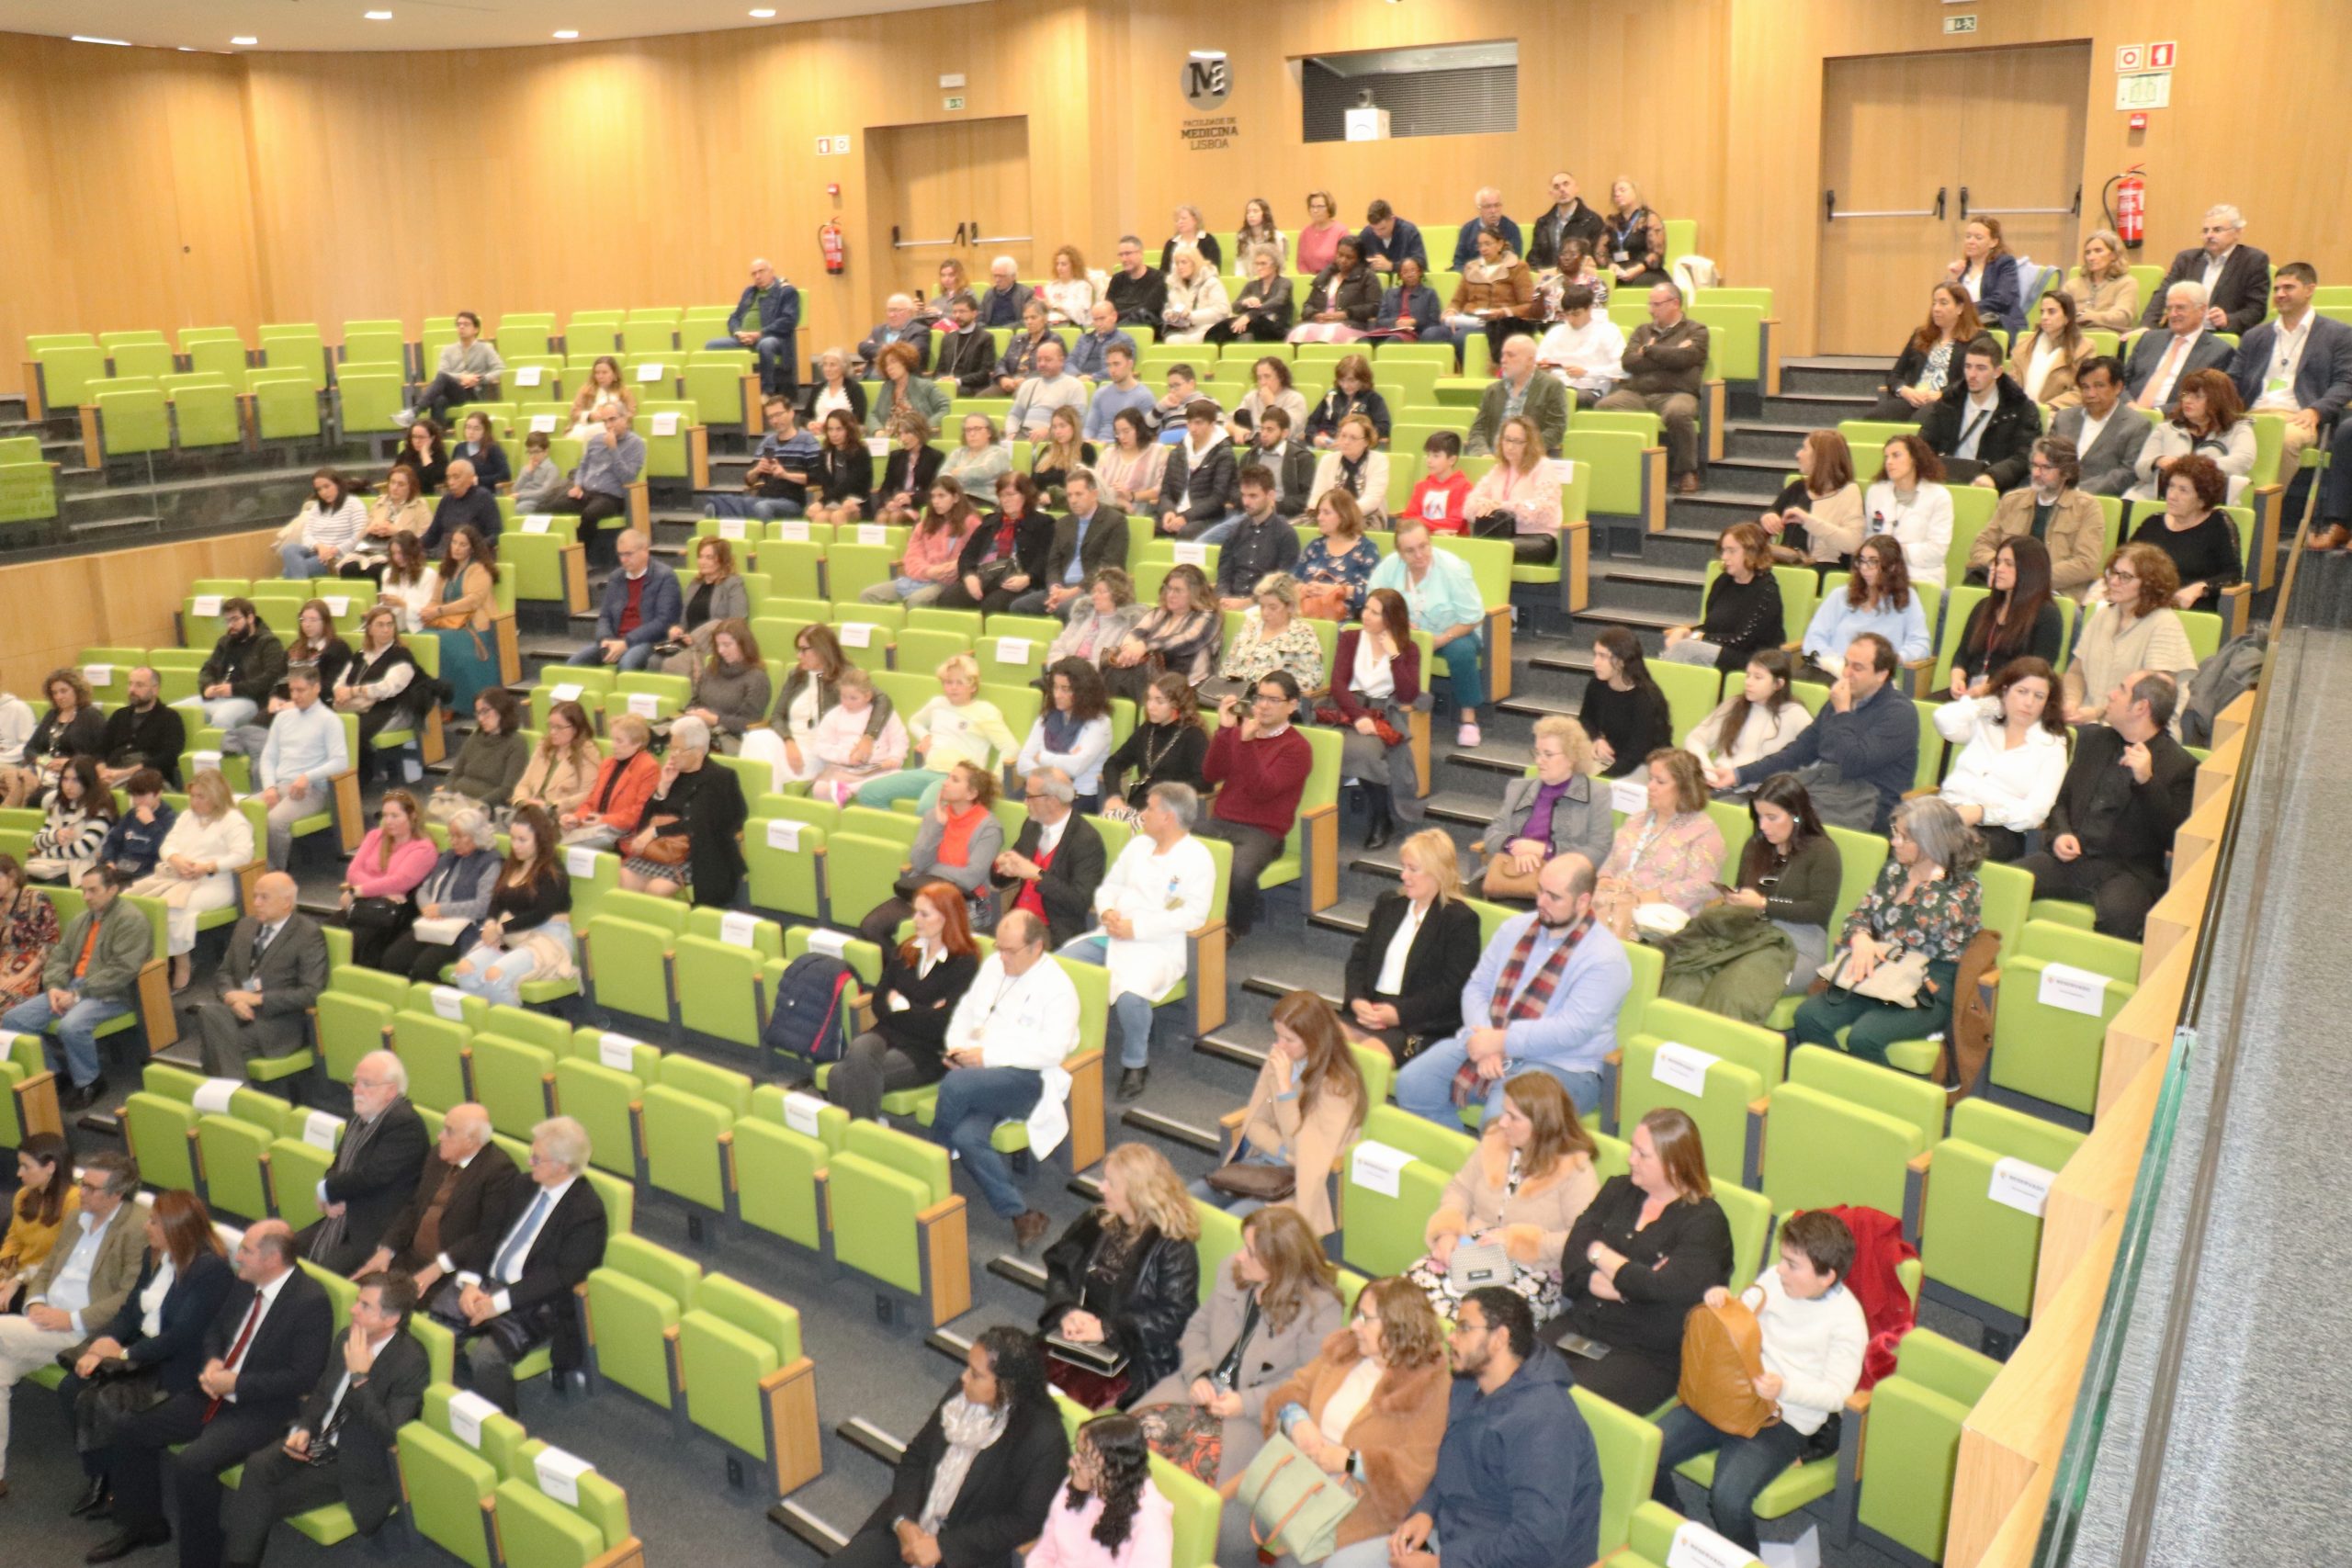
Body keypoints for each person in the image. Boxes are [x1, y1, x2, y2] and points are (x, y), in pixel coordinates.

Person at [89, 1220, 334, 1566]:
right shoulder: (245, 1282)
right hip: (214, 1391)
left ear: (272, 1258)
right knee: (131, 1427)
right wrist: (213, 1363)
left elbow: (303, 1378)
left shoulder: (310, 1302)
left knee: (193, 1464)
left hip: (262, 1409)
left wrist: (236, 1384)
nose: (238, 1256)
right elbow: (215, 1330)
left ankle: (200, 1560)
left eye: (246, 1251)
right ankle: (144, 1525)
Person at [1652, 1212, 1868, 1553]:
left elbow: (1838, 1394)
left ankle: (1745, 1561)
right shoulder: (1775, 1280)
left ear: (1827, 1276)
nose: (1780, 1269)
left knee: (1728, 1499)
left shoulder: (1848, 1321)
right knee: (1650, 1450)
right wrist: (1725, 1302)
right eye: (1783, 1259)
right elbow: (1741, 1314)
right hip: (1733, 1393)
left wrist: (1784, 1388)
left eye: (1792, 1264)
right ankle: (1677, 1531)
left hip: (1784, 1420)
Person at [1225, 1277, 1452, 1568]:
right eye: (1357, 1315)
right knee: (1228, 1525)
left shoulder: (1429, 1386)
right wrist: (1298, 1421)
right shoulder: (1345, 1348)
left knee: (1295, 1561)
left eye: (1366, 1319)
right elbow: (1293, 1390)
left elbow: (1413, 1474)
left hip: (1355, 1506)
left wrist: (1348, 1461)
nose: (1354, 1325)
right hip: (1293, 1473)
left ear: (1397, 1326)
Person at [211, 1268, 427, 1566]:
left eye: (365, 1306)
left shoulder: (411, 1363)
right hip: (317, 1437)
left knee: (258, 1502)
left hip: (353, 1459)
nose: (353, 1310)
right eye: (357, 1301)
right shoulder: (347, 1336)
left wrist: (360, 1379)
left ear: (391, 1319)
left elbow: (391, 1433)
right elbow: (323, 1393)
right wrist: (304, 1427)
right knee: (258, 1466)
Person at [1396, 852, 1630, 1123]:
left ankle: (1489, 1151)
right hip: (1489, 1038)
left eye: (1554, 897)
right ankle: (1461, 1151)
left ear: (1582, 901)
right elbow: (1476, 988)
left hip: (1564, 1064)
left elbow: (1572, 1030)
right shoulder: (1515, 928)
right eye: (1540, 890)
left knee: (1503, 1120)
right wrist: (1487, 1039)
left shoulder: (1605, 958)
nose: (1540, 902)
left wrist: (1501, 1041)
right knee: (1413, 1084)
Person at [51, 1187, 232, 1521]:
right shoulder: (157, 1257)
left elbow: (181, 1337)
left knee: (108, 1401)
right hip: (139, 1351)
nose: (147, 1227)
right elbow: (130, 1312)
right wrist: (105, 1342)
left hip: (170, 1364)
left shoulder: (211, 1271)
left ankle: (120, 1489)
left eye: (154, 1222)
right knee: (70, 1387)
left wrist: (122, 1354)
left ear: (176, 1228)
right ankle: (101, 1476)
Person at [1129, 1205, 1340, 1484]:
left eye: (1251, 1252)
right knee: (1126, 1446)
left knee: (1187, 1476)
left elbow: (1308, 1384)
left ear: (1279, 1262)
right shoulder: (1232, 1271)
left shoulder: (1320, 1308)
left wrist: (1246, 1403)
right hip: (1195, 1389)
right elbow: (1197, 1329)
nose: (1240, 1256)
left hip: (1253, 1415)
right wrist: (1199, 1374)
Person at [1392, 1288, 1603, 1568]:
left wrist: (1441, 1563)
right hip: (1461, 1540)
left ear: (1499, 1338)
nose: (1451, 1337)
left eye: (1464, 1328)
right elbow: (1452, 1465)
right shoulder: (1469, 1383)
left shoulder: (1545, 1421)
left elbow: (1535, 1543)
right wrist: (1426, 1509)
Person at [1544, 1107, 1736, 1412]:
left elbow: (1662, 1293)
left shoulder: (1705, 1223)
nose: (1631, 1159)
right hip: (1582, 1323)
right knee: (1511, 1368)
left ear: (1674, 1165)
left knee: (1558, 1401)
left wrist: (1599, 1253)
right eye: (1632, 1148)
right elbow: (1574, 1255)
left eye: (1642, 1154)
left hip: (1644, 1354)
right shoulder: (1618, 1189)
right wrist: (1624, 1282)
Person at [831, 1325, 1069, 1568]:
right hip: (912, 1525)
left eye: (976, 1374)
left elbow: (1025, 1521)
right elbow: (916, 1458)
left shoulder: (1045, 1439)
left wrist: (943, 1547)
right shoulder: (961, 1394)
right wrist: (904, 1521)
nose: (964, 1377)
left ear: (1007, 1387)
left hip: (968, 1552)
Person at [426, 1115, 607, 1417]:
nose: (529, 1161)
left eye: (537, 1158)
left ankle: (500, 1424)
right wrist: (471, 1282)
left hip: (534, 1300)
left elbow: (562, 1277)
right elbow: (488, 1233)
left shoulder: (586, 1211)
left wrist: (498, 1303)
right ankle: (452, 1400)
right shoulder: (523, 1185)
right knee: (434, 1329)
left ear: (562, 1166)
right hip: (487, 1283)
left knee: (487, 1358)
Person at [1795, 795, 1987, 1066]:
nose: (1894, 842)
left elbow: (1931, 924)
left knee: (1865, 1037)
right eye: (1895, 833)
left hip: (1931, 983)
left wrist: (1927, 880)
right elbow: (1858, 916)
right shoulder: (1894, 871)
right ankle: (1835, 1083)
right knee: (1809, 1016)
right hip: (1881, 966)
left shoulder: (1965, 886)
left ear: (1930, 841)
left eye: (1904, 837)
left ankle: (1877, 1093)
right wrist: (1861, 938)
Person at [932, 908, 1082, 1248]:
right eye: (999, 948)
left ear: (1036, 947)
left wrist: (986, 1058)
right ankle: (1022, 1215)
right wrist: (958, 1048)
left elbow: (1051, 1052)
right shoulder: (993, 966)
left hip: (1027, 1079)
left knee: (954, 1086)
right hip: (983, 1075)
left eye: (1010, 951)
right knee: (967, 1136)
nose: (1001, 957)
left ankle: (932, 1165)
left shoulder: (1058, 988)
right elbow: (966, 1011)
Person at [0, 1151, 143, 1492]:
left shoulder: (137, 1228)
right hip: (43, 1322)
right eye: (82, 1183)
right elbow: (49, 1267)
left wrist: (71, 1318)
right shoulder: (78, 1215)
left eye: (91, 1188)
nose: (81, 1192)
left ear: (116, 1195)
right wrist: (35, 1301)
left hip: (84, 1332)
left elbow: (128, 1297)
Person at [2017, 670, 2195, 938]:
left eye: (2121, 689)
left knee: (2120, 916)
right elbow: (2061, 802)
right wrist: (2061, 833)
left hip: (2128, 872)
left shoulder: (2181, 766)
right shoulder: (2093, 740)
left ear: (2140, 707)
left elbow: (2174, 839)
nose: (2111, 695)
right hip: (2072, 859)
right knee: (2008, 882)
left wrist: (2147, 782)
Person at [1408, 1074, 1599, 1323]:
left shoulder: (1575, 1169)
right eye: (1504, 1112)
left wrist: (1517, 1241)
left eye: (1513, 1117)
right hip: (1473, 1250)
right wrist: (1447, 1232)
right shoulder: (1495, 1140)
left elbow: (1581, 1239)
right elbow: (1460, 1190)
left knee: (1470, 1323)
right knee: (1407, 1300)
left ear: (1542, 1124)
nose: (1503, 1122)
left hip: (1533, 1270)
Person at [1065, 783, 1216, 1096]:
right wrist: (1107, 911)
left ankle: (1135, 1063)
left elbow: (1193, 916)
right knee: (1062, 966)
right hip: (1112, 936)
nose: (1142, 814)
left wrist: (1137, 929)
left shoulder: (1197, 858)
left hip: (1158, 946)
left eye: (1149, 808)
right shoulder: (1138, 846)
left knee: (1131, 995)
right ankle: (1068, 1046)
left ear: (1168, 817)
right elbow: (1110, 887)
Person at [1659, 774, 1843, 1021]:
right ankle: (1672, 1038)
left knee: (1733, 984)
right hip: (1747, 932)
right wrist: (1737, 900)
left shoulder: (1822, 851)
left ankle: (1714, 1042)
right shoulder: (1756, 845)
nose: (1763, 826)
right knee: (1688, 973)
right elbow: (1744, 892)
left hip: (1798, 944)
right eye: (1759, 817)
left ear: (1796, 815)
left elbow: (1819, 909)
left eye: (1772, 817)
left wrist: (1764, 904)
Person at [1038, 1143, 1200, 1405]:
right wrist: (1067, 1311)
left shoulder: (1173, 1246)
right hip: (1079, 1337)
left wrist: (1108, 1330)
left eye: (1110, 1183)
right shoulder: (1098, 1220)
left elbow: (1175, 1317)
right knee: (1013, 1375)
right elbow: (1060, 1269)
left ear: (1137, 1193)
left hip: (1133, 1356)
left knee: (1061, 1403)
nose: (1101, 1188)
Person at [1203, 990, 1366, 1236]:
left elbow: (1302, 1150)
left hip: (1302, 1183)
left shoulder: (1338, 1087)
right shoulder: (1281, 1060)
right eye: (1277, 1036)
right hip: (1263, 1165)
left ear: (1315, 1039)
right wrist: (1282, 1152)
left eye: (1289, 1039)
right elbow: (1255, 1124)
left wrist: (1285, 1091)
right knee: (1193, 1206)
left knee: (1231, 1227)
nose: (1279, 1046)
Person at [1719, 633, 1917, 833]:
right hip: (1826, 790)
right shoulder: (1838, 703)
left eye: (1857, 668)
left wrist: (1843, 713)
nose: (1846, 673)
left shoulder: (1899, 713)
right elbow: (1798, 752)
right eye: (1846, 664)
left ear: (1881, 674)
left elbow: (1852, 764)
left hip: (1868, 802)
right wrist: (1739, 774)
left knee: (1782, 821)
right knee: (1745, 807)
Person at [828, 879, 982, 1122]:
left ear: (947, 917)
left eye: (924, 914)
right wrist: (922, 1011)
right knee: (859, 1049)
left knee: (840, 1075)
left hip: (927, 1051)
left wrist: (900, 1005)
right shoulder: (906, 949)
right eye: (915, 912)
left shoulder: (964, 962)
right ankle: (866, 1133)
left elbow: (942, 1024)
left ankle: (862, 1137)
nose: (915, 920)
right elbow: (879, 1002)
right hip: (887, 1035)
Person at [1338, 827, 1481, 1060]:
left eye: (1413, 869)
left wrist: (1398, 1014)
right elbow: (1359, 959)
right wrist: (1357, 999)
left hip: (1415, 1023)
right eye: (1403, 867)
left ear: (1438, 872)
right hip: (1369, 1009)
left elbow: (1451, 989)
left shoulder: (1460, 920)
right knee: (1317, 1043)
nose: (1404, 876)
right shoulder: (1389, 904)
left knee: (1365, 1060)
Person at [1195, 672, 1310, 941]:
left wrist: (1246, 744)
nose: (1263, 706)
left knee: (1239, 872)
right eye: (1260, 698)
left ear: (1292, 705)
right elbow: (1210, 775)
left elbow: (1263, 791)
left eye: (1273, 700)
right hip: (1221, 822)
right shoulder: (1241, 733)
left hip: (1263, 832)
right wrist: (1225, 731)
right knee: (1174, 845)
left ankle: (1237, 926)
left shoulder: (1297, 748)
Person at [178, 869, 324, 1078]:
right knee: (209, 1013)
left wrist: (258, 999)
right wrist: (232, 998)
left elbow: (311, 992)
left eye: (264, 897)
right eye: (255, 896)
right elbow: (223, 973)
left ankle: (231, 1091)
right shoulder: (246, 925)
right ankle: (236, 1091)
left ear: (286, 902)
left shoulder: (308, 934)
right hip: (238, 1010)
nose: (256, 903)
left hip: (277, 1022)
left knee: (216, 1045)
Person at [358, 1102, 526, 1284]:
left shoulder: (499, 1171)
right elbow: (414, 1206)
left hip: (447, 1271)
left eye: (449, 1131)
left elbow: (487, 1234)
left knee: (387, 1299)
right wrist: (387, 1249)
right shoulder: (437, 1155)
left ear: (471, 1140)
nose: (440, 1136)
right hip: (408, 1257)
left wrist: (440, 1266)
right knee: (362, 1287)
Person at [294, 1049, 427, 1274]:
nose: (357, 1090)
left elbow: (372, 1176)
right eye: (355, 1083)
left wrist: (326, 1190)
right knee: (283, 1252)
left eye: (366, 1084)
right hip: (343, 1219)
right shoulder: (359, 1118)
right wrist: (330, 1196)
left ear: (391, 1090)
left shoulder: (405, 1124)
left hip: (371, 1231)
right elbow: (338, 1164)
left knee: (320, 1275)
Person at [2234, 262, 2352, 503]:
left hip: (2299, 417)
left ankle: (2264, 510)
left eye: (2288, 287)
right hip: (2252, 413)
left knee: (2284, 439)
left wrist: (2316, 411)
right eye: (2276, 289)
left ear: (2309, 289)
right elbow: (2232, 379)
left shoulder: (2339, 334)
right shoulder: (2255, 336)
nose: (2280, 294)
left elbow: (2345, 382)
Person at [1937, 657, 2071, 862]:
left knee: (1944, 850)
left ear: (2047, 702)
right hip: (1948, 808)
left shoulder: (2052, 745)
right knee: (1907, 834)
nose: (2029, 703)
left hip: (1999, 829)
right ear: (2005, 690)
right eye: (2021, 691)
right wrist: (1989, 704)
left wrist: (1982, 813)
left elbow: (2036, 811)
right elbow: (1944, 720)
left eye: (2039, 696)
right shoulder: (1986, 722)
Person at [855, 762, 1004, 944]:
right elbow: (918, 862)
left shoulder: (989, 828)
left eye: (955, 780)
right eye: (948, 777)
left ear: (971, 793)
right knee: (871, 927)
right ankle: (903, 964)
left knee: (934, 939)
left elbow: (970, 878)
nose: (945, 783)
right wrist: (938, 827)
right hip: (924, 893)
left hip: (964, 901)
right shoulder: (934, 817)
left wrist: (932, 870)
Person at [1370, 520, 1487, 746]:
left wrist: (1441, 639)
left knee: (1461, 651)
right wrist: (1398, 625)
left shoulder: (1452, 568)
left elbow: (1473, 617)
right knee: (1375, 640)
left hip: (1454, 631)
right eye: (1410, 551)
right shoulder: (1390, 567)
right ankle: (1384, 714)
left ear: (1430, 542)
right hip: (1408, 634)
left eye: (1423, 546)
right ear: (1400, 553)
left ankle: (1469, 718)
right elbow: (1374, 603)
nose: (1419, 555)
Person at [1475, 716, 1613, 902]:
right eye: (1537, 753)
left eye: (1548, 754)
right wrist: (1516, 846)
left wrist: (1545, 851)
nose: (1539, 761)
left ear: (1572, 757)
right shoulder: (1518, 789)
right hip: (1509, 876)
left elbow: (1599, 851)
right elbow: (1493, 834)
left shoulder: (1597, 795)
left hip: (1561, 888)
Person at [853, 654, 1018, 809]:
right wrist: (926, 736)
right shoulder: (938, 704)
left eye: (960, 683)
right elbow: (915, 721)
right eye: (948, 682)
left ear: (973, 686)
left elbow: (1011, 747)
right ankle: (898, 830)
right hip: (928, 771)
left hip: (956, 778)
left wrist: (992, 780)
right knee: (868, 792)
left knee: (927, 808)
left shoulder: (985, 712)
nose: (953, 688)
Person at [2063, 546, 2200, 726]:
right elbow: (2076, 673)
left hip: (2137, 731)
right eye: (2113, 573)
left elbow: (2152, 701)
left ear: (2150, 583)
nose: (2114, 581)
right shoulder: (2102, 616)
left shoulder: (2164, 625)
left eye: (2125, 577)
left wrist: (2098, 713)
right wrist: (2072, 702)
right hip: (2091, 723)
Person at [453, 805, 578, 1003]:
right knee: (465, 970)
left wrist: (500, 930)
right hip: (512, 934)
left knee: (496, 976)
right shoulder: (512, 864)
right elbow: (497, 899)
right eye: (512, 839)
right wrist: (491, 924)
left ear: (540, 839)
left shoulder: (553, 870)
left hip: (548, 938)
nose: (516, 845)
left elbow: (542, 913)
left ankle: (505, 1021)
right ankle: (483, 1020)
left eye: (522, 840)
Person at [1325, 589, 1419, 845]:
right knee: (1322, 746)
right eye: (1366, 608)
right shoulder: (1351, 638)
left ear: (1390, 618)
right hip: (1346, 708)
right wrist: (1357, 717)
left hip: (1382, 712)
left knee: (1364, 752)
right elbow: (1337, 684)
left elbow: (1408, 694)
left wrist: (1395, 656)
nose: (1365, 615)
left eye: (1374, 613)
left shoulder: (1408, 649)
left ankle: (1381, 818)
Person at [618, 718, 747, 906]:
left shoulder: (720, 779)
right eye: (671, 747)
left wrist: (656, 831)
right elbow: (645, 821)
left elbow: (698, 823)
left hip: (696, 852)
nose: (672, 755)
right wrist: (662, 788)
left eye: (678, 750)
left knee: (657, 889)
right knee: (625, 878)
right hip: (661, 849)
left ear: (698, 752)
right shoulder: (673, 773)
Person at [1600, 282, 1711, 491]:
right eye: (1650, 304)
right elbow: (1628, 362)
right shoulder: (1642, 330)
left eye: (1656, 305)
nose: (1651, 310)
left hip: (1677, 393)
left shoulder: (1696, 331)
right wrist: (1671, 353)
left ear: (1675, 303)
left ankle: (1687, 471)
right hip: (1638, 393)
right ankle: (1623, 466)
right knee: (1604, 407)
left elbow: (1685, 359)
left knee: (1678, 413)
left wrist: (1649, 350)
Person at [1966, 437, 2106, 601]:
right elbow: (1981, 545)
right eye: (2035, 465)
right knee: (1948, 599)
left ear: (2067, 473)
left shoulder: (2087, 507)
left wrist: (2032, 578)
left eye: (2046, 467)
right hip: (2004, 589)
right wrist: (1998, 566)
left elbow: (2086, 563)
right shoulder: (2012, 500)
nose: (2036, 473)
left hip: (2054, 593)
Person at [1025, 1414, 1172, 1568]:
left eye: (1085, 1458)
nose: (1073, 1463)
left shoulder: (1149, 1520)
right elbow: (1045, 1550)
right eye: (1078, 1452)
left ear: (1114, 1469)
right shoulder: (1078, 1482)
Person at [374, 807, 503, 983]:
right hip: (432, 923)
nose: (453, 841)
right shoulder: (449, 856)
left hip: (463, 931)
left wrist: (442, 909)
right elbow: (423, 889)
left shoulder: (490, 862)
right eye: (451, 836)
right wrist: (428, 907)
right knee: (392, 959)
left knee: (424, 967)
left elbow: (483, 906)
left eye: (459, 836)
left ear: (476, 835)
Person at [991, 767, 1107, 953]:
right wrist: (1000, 865)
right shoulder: (1032, 825)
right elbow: (1000, 880)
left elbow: (1080, 902)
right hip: (1016, 919)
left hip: (1053, 930)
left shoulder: (1086, 840)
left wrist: (1037, 875)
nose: (1025, 801)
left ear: (1052, 801)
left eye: (1030, 796)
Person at [1599, 750, 1728, 916]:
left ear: (1684, 788)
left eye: (1660, 782)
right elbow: (1609, 862)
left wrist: (1642, 898)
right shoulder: (1636, 820)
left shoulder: (1703, 831)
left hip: (1661, 916)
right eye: (1650, 779)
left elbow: (1703, 885)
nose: (1650, 787)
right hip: (1615, 905)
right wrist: (1606, 882)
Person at [249, 665, 345, 870]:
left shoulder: (330, 720)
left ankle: (276, 871)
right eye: (292, 690)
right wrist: (269, 787)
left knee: (274, 821)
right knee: (242, 812)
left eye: (301, 690)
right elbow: (268, 757)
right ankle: (253, 870)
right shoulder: (283, 717)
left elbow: (340, 761)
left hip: (311, 790)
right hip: (281, 785)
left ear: (316, 688)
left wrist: (307, 776)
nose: (295, 696)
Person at [1951, 536, 2065, 697]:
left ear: (2030, 570)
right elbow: (1962, 655)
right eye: (1998, 562)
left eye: (2009, 564)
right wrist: (1957, 679)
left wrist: (1989, 688)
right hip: (1969, 691)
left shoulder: (2047, 615)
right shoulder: (1983, 606)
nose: (1999, 569)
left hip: (2010, 696)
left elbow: (2037, 671)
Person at [1921, 335, 2039, 491]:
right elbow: (1923, 444)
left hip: (1991, 486)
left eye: (1981, 368)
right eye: (1968, 367)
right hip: (1945, 483)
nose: (1972, 374)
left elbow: (2024, 457)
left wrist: (1993, 476)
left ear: (1997, 372)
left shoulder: (2020, 408)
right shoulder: (1949, 401)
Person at [337, 791, 436, 972]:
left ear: (412, 816)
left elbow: (400, 882)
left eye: (395, 816)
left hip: (390, 913)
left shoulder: (424, 848)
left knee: (353, 943)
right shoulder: (375, 836)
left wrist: (358, 890)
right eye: (385, 815)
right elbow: (353, 872)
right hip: (363, 903)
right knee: (327, 934)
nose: (388, 821)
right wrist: (383, 891)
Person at [1663, 523, 1784, 671]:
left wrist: (1697, 638)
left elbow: (1742, 640)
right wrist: (1686, 631)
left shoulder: (1766, 589)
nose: (1724, 557)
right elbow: (1709, 627)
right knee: (1681, 648)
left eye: (1731, 551)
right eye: (1723, 550)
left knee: (1684, 649)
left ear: (1751, 552)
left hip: (1753, 659)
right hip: (1720, 651)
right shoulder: (1723, 581)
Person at [2131, 455, 2245, 610]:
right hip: (2146, 604)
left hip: (2191, 608)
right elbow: (2125, 562)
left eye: (2183, 490)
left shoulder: (2218, 524)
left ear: (2202, 499)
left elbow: (2233, 575)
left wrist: (2200, 588)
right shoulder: (2152, 523)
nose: (2172, 496)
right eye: (2171, 486)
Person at [1684, 650, 1813, 788]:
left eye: (1758, 677)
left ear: (1778, 684)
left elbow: (1812, 753)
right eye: (1748, 675)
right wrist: (1708, 771)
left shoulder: (1795, 714)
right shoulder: (1734, 705)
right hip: (1720, 783)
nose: (1748, 682)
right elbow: (1695, 739)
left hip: (1761, 790)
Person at [2139, 203, 2270, 334]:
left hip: (2221, 334)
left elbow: (2257, 309)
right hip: (2181, 332)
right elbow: (2162, 294)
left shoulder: (2253, 260)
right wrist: (2147, 326)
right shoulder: (2186, 259)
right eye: (2205, 231)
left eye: (2217, 230)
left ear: (2237, 232)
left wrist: (2229, 320)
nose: (2209, 235)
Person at [1101, 564, 1221, 705]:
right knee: (1116, 670)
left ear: (1194, 593)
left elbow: (1186, 641)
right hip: (1151, 680)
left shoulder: (1208, 617)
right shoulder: (1158, 613)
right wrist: (1129, 651)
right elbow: (1135, 633)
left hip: (1187, 686)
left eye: (1178, 590)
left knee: (1133, 675)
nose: (1170, 595)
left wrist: (1145, 646)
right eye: (1168, 588)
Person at [2128, 372, 2256, 505]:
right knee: (2127, 504)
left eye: (2197, 396)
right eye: (2185, 394)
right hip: (2158, 496)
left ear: (2217, 399)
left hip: (2208, 499)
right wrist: (2157, 461)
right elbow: (2141, 468)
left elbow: (2242, 460)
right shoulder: (2166, 428)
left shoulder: (2238, 428)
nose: (2187, 400)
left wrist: (2193, 468)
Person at [1863, 282, 1984, 423]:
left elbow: (1973, 379)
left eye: (1943, 303)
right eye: (1934, 303)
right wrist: (1905, 391)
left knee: (1923, 419)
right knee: (1874, 417)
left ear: (1960, 308)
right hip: (1913, 399)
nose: (1936, 309)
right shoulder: (1921, 335)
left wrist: (1942, 394)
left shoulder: (1977, 339)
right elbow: (1894, 376)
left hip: (1948, 402)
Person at [565, 527, 681, 672]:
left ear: (645, 551)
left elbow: (663, 622)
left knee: (627, 663)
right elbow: (605, 616)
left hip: (648, 641)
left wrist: (627, 642)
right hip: (615, 639)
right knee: (574, 663)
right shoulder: (616, 577)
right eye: (620, 554)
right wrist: (605, 638)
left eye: (628, 554)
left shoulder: (665, 577)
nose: (623, 560)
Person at [1099, 680, 1207, 827]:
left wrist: (1162, 802)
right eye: (1149, 699)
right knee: (1104, 827)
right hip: (1139, 806)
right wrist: (1115, 796)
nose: (1150, 706)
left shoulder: (1194, 736)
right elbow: (1113, 764)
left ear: (1176, 705)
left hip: (1172, 810)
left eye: (1159, 701)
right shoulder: (1148, 729)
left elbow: (1202, 782)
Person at [334, 608, 424, 783]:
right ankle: (335, 782)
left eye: (390, 625)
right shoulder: (361, 655)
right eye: (380, 625)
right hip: (358, 706)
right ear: (369, 628)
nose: (386, 629)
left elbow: (389, 688)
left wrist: (354, 691)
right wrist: (339, 691)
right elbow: (341, 681)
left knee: (355, 732)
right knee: (328, 726)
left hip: (392, 708)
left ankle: (359, 781)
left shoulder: (401, 655)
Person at [1024, 468, 1129, 617]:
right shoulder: (1063, 524)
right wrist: (1055, 588)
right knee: (1021, 606)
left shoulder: (1115, 522)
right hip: (1062, 588)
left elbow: (1109, 565)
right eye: (1069, 495)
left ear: (1094, 494)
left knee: (1064, 609)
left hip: (1093, 589)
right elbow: (1053, 562)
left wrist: (1073, 591)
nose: (1073, 500)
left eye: (1079, 494)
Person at [550, 402, 645, 567]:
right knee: (552, 506)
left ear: (624, 419)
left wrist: (613, 449)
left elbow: (628, 478)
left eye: (613, 419)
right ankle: (553, 554)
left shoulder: (635, 444)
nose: (608, 425)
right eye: (605, 421)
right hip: (586, 491)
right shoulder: (595, 440)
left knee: (590, 514)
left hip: (612, 496)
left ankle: (577, 559)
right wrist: (578, 485)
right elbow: (583, 466)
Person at [940, 472, 1049, 615]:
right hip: (984, 575)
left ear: (1025, 495)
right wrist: (969, 576)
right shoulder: (990, 522)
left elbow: (1044, 558)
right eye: (1001, 495)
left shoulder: (1043, 524)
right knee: (948, 597)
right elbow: (967, 555)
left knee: (993, 605)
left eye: (1010, 495)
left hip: (1018, 579)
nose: (1005, 500)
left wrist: (1028, 578)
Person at [865, 476, 979, 605]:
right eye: (933, 497)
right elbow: (912, 557)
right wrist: (929, 571)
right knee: (869, 595)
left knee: (916, 600)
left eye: (941, 496)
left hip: (950, 582)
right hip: (923, 577)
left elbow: (975, 555)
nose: (936, 501)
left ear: (956, 498)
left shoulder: (971, 523)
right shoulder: (924, 526)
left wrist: (952, 568)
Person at [1018, 660, 1115, 812]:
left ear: (1083, 691)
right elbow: (1022, 764)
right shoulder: (1047, 716)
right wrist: (1062, 766)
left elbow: (1076, 767)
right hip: (1041, 791)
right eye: (1055, 687)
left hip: (1078, 795)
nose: (1057, 695)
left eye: (1065, 689)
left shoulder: (1099, 723)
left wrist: (1041, 757)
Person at [2051, 356, 2152, 501]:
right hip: (2052, 495)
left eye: (2099, 386)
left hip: (2098, 501)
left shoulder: (2137, 425)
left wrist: (2077, 492)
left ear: (2117, 387)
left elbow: (2127, 473)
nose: (2090, 394)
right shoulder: (2064, 418)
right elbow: (2047, 459)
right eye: (2085, 387)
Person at [1864, 432, 1956, 589]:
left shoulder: (1939, 496)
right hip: (1878, 574)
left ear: (1914, 458)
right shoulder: (1876, 492)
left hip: (1920, 576)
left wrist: (1895, 552)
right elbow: (1869, 536)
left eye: (1896, 455)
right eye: (1886, 457)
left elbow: (1937, 551)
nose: (1889, 462)